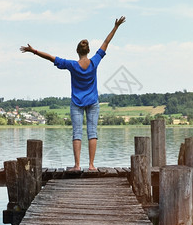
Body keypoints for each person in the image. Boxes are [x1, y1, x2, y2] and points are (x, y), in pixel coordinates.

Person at [20, 16, 126, 171]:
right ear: (89, 51)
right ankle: (91, 165)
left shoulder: (71, 65)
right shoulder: (95, 61)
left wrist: (34, 51)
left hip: (77, 103)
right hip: (92, 102)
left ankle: (77, 165)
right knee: (92, 132)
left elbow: (51, 57)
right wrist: (116, 27)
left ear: (77, 51)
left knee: (77, 133)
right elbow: (106, 43)